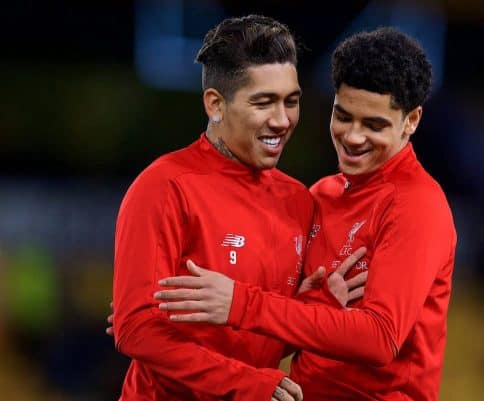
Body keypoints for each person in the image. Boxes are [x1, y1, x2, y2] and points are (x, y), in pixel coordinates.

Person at [155, 27, 457, 401]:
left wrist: (240, 303)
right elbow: (287, 322)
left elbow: (379, 338)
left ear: (410, 121)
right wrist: (173, 317)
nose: (353, 136)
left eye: (374, 125)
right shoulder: (321, 195)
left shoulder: (417, 206)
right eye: (343, 116)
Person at [111, 14, 365, 401]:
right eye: (263, 102)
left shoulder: (298, 201)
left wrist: (319, 305)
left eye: (291, 101)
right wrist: (249, 385)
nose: (282, 121)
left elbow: (261, 338)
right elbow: (136, 329)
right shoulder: (163, 187)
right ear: (215, 104)